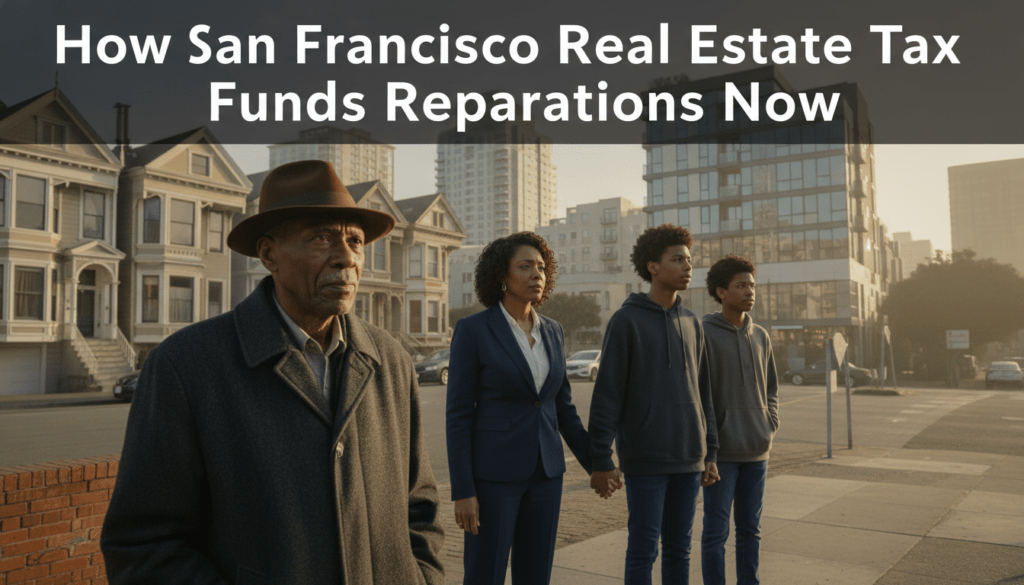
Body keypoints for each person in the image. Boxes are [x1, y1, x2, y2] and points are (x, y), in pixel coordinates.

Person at [101, 160, 445, 584]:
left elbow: (419, 505)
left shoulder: (390, 360)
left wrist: (422, 577)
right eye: (321, 238)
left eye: (355, 241)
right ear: (268, 254)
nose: (347, 258)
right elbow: (144, 547)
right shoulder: (185, 367)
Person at [446, 232, 597, 585]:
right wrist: (463, 490)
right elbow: (458, 416)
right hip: (493, 478)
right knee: (486, 574)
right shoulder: (474, 330)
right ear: (502, 276)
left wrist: (597, 463)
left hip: (547, 475)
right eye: (525, 266)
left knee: (535, 575)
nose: (537, 274)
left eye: (542, 267)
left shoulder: (554, 332)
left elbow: (563, 408)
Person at [588, 223, 719, 585]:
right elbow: (607, 395)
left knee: (680, 550)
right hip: (646, 460)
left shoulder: (693, 323)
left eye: (690, 259)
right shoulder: (626, 321)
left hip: (690, 458)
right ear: (653, 267)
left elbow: (704, 391)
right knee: (644, 549)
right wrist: (601, 457)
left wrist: (711, 453)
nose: (688, 266)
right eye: (677, 259)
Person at [701, 254, 779, 585]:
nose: (749, 291)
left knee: (751, 530)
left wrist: (769, 421)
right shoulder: (703, 333)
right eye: (741, 285)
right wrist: (709, 450)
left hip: (757, 451)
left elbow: (772, 387)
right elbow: (699, 395)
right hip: (722, 457)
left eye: (752, 285)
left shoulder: (761, 335)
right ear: (721, 292)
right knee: (715, 533)